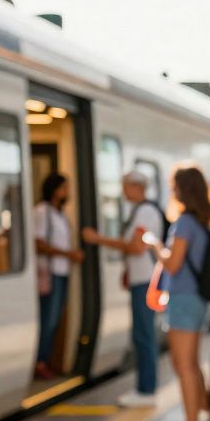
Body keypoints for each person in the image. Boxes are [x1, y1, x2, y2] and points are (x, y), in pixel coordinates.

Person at [143, 163, 210, 421]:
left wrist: (153, 245)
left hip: (184, 299)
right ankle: (206, 414)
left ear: (181, 190)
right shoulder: (203, 221)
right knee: (193, 362)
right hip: (197, 298)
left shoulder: (185, 223)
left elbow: (173, 264)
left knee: (182, 364)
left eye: (174, 186)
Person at [82, 171, 166, 407]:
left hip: (146, 282)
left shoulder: (146, 212)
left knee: (144, 335)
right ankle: (144, 388)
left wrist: (98, 239)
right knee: (141, 334)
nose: (123, 191)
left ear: (137, 187)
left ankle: (146, 390)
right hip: (140, 280)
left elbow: (137, 248)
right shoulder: (139, 212)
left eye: (125, 186)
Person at [34, 173, 83, 379]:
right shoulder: (41, 212)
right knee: (48, 318)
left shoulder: (60, 215)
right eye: (65, 188)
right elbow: (38, 243)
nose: (68, 192)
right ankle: (39, 362)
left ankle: (46, 360)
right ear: (55, 190)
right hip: (50, 273)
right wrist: (68, 254)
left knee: (55, 318)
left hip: (62, 272)